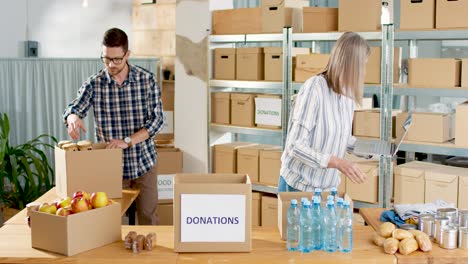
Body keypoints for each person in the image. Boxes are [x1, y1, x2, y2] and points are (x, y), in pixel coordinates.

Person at [63, 28, 164, 224]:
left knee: (148, 218)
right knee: (107, 223)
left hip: (143, 162)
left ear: (127, 54)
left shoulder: (146, 80)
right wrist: (72, 117)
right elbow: (74, 107)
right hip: (110, 167)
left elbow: (157, 121)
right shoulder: (95, 84)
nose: (111, 64)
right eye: (106, 59)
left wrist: (128, 141)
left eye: (117, 59)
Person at [278, 32, 369, 192]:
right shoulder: (315, 88)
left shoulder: (347, 96)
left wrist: (374, 149)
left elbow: (341, 139)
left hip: (327, 190)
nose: (363, 72)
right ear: (351, 65)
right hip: (299, 188)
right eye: (362, 66)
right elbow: (295, 146)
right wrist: (339, 163)